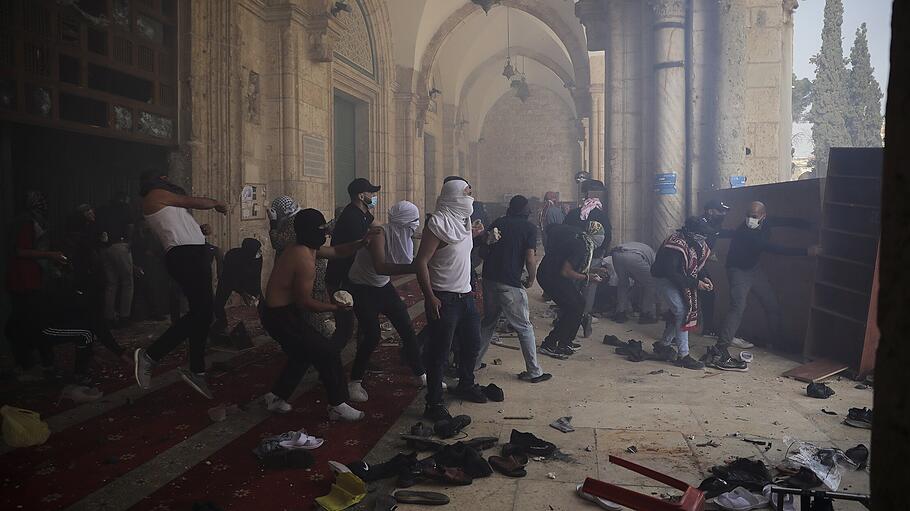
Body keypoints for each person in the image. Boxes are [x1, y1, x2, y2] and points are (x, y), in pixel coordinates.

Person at [259, 208, 368, 421]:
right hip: (279, 316)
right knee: (326, 351)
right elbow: (305, 302)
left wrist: (361, 243)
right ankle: (337, 404)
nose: (325, 233)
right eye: (321, 229)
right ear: (309, 231)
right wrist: (337, 308)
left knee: (302, 354)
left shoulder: (306, 248)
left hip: (283, 311)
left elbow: (337, 252)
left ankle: (275, 396)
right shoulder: (303, 258)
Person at [133, 169, 227, 399]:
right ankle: (150, 355)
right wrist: (215, 202)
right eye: (164, 178)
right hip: (184, 255)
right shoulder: (155, 195)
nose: (168, 181)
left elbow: (179, 223)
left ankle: (197, 369)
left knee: (203, 314)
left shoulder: (167, 201)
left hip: (194, 252)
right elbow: (190, 201)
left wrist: (199, 230)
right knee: (201, 313)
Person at [707, 201, 821, 369]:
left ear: (763, 216)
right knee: (738, 308)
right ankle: (720, 348)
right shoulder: (747, 233)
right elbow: (776, 249)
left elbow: (786, 221)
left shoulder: (767, 222)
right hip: (738, 270)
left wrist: (809, 225)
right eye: (747, 216)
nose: (749, 220)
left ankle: (778, 342)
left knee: (771, 304)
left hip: (754, 269)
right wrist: (806, 251)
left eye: (754, 216)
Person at [415, 177, 488, 421]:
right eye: (467, 192)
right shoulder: (437, 223)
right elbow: (421, 262)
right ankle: (434, 403)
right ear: (454, 196)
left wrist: (478, 235)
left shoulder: (463, 221)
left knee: (471, 345)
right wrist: (429, 297)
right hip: (444, 299)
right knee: (439, 353)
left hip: (466, 296)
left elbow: (460, 252)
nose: (471, 197)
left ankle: (466, 384)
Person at [346, 200, 425, 401]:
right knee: (372, 334)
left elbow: (416, 237)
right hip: (363, 287)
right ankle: (354, 382)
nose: (415, 226)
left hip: (382, 286)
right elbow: (381, 267)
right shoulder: (379, 234)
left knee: (407, 329)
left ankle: (419, 374)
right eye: (412, 222)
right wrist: (417, 267)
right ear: (403, 222)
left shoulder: (402, 232)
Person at [476, 195, 550, 383]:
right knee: (524, 327)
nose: (531, 212)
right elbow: (530, 258)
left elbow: (483, 249)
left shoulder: (498, 222)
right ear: (525, 210)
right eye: (529, 209)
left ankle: (473, 363)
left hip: (489, 278)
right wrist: (532, 279)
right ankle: (534, 371)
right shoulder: (529, 228)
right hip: (509, 282)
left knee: (488, 322)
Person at [4, 191, 69, 379]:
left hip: (27, 278)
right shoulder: (26, 222)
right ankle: (41, 364)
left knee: (27, 323)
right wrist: (51, 255)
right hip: (24, 279)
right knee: (35, 323)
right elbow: (20, 251)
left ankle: (29, 362)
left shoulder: (29, 221)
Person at [650, 217, 715, 370]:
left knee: (679, 311)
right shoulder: (674, 245)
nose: (704, 237)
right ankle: (683, 356)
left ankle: (663, 346)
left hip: (680, 279)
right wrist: (695, 283)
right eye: (702, 234)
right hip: (664, 279)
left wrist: (704, 277)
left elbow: (697, 266)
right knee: (681, 311)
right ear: (692, 233)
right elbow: (671, 273)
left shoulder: (698, 244)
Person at [537, 221, 607, 359]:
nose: (602, 238)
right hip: (550, 276)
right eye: (601, 235)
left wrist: (594, 270)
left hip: (554, 273)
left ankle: (565, 342)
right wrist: (588, 277)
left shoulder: (584, 242)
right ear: (594, 236)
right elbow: (566, 272)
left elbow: (575, 266)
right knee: (572, 308)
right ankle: (549, 344)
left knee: (579, 304)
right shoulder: (581, 246)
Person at [564, 179, 613, 337]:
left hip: (573, 256)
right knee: (590, 286)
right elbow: (607, 237)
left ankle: (568, 316)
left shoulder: (573, 213)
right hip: (594, 257)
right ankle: (585, 316)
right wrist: (602, 252)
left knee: (571, 285)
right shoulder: (601, 215)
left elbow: (565, 233)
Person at [325, 178, 380, 293]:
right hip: (342, 271)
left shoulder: (363, 212)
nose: (374, 196)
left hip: (353, 270)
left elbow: (379, 228)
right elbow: (362, 243)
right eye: (371, 193)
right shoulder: (352, 216)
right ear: (361, 196)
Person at [95, 192, 136, 328]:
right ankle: (125, 317)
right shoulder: (125, 208)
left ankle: (109, 318)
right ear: (124, 199)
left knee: (111, 284)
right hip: (119, 245)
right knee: (127, 282)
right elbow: (130, 226)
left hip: (104, 248)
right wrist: (130, 242)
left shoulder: (102, 209)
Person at [211, 238, 263, 333]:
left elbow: (256, 277)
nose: (260, 252)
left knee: (262, 304)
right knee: (218, 303)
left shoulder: (258, 258)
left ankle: (267, 324)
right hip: (228, 279)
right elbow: (230, 278)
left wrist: (256, 293)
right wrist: (242, 292)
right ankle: (220, 325)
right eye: (257, 249)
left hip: (247, 279)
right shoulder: (232, 255)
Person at [699, 199, 732, 336]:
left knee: (707, 294)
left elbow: (718, 233)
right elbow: (711, 234)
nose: (723, 214)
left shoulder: (713, 225)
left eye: (725, 211)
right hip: (688, 264)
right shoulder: (701, 224)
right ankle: (673, 335)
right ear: (710, 211)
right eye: (720, 211)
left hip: (697, 265)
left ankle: (707, 328)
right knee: (684, 300)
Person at [610, 241, 658, 324]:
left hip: (616, 254)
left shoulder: (644, 248)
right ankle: (646, 314)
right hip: (634, 256)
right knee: (651, 284)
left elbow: (637, 279)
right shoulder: (654, 258)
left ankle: (620, 313)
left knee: (623, 284)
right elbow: (652, 276)